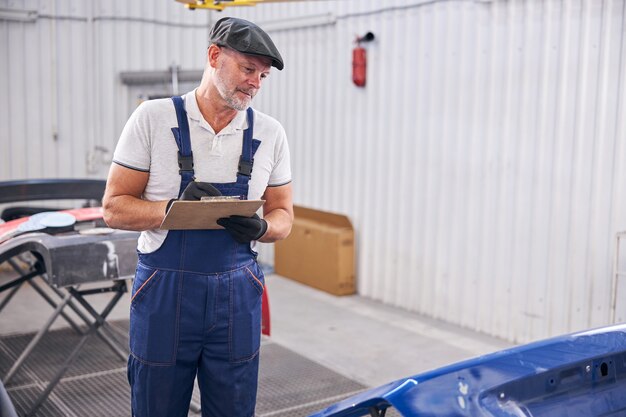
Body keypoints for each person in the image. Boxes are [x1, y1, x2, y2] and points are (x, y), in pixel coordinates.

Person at [102, 17, 293, 417]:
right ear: (214, 56)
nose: (255, 83)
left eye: (262, 75)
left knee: (234, 407)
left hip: (237, 294)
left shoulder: (270, 134)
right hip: (165, 294)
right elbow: (114, 206)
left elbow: (283, 214)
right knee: (156, 404)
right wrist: (171, 210)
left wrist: (264, 227)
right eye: (247, 69)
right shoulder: (153, 119)